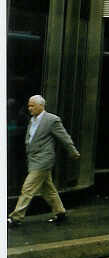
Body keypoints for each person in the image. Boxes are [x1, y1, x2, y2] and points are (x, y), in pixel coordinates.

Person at [8, 95, 80, 227]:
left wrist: (73, 151)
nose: (29, 108)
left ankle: (15, 217)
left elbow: (64, 137)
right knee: (48, 188)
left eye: (32, 106)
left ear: (41, 106)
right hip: (33, 159)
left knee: (27, 188)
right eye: (29, 105)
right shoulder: (32, 120)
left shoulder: (52, 120)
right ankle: (60, 212)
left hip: (43, 159)